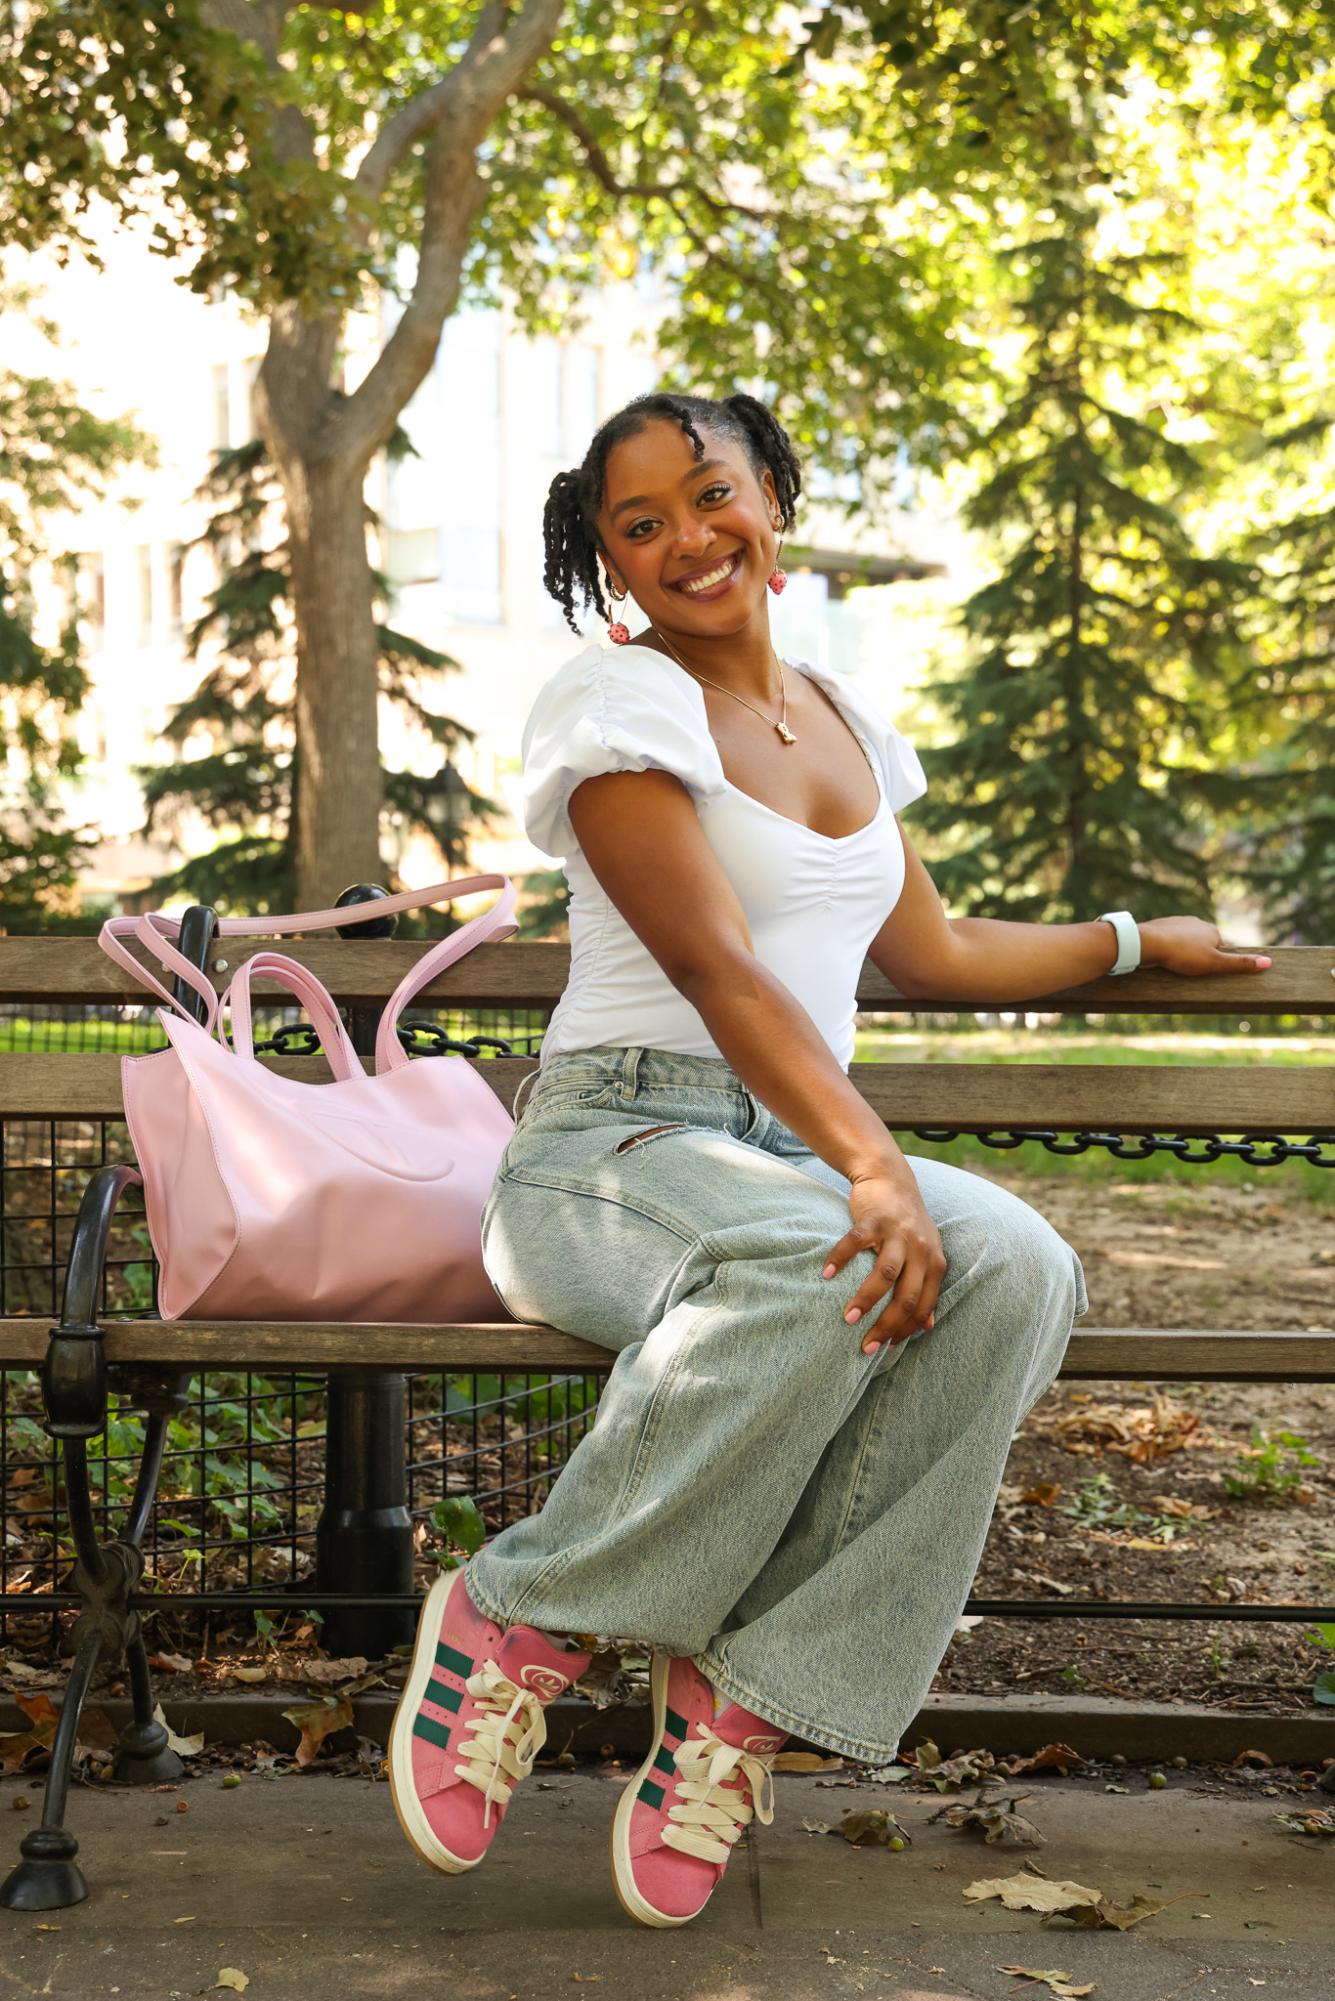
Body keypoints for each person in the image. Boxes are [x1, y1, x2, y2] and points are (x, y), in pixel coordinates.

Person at [387, 390, 1272, 1929]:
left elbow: (927, 950)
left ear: (772, 496)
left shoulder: (850, 720)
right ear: (607, 564)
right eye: (638, 525)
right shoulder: (617, 709)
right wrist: (871, 1165)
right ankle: (519, 1611)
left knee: (1021, 1265)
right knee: (819, 1254)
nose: (686, 539)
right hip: (619, 1144)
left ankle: (744, 1693)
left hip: (786, 1155)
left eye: (709, 494)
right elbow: (722, 970)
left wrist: (1137, 936)